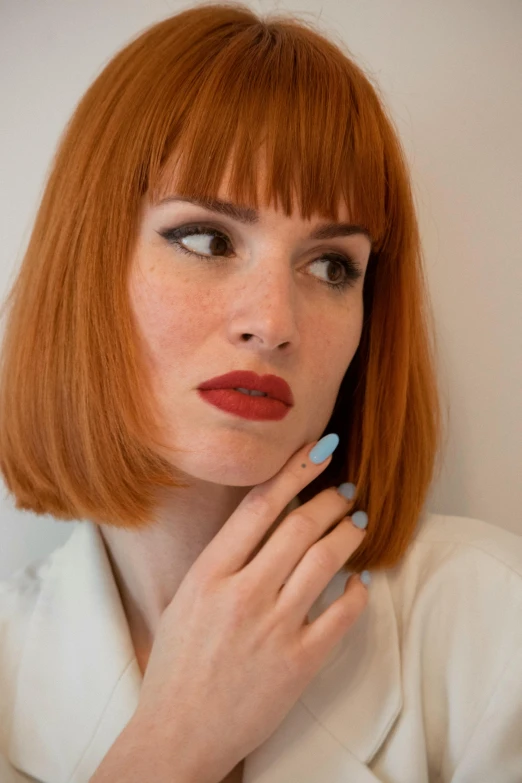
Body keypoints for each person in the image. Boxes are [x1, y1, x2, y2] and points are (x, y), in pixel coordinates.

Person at [1, 4, 521, 782]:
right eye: (206, 239)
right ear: (88, 268)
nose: (273, 323)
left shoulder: (492, 621)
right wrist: (174, 741)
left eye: (331, 266)